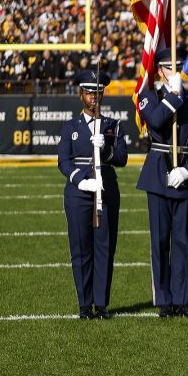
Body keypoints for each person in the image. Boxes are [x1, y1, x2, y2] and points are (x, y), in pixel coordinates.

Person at [136, 46, 188, 317]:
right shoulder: (149, 97)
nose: (174, 70)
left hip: (185, 176)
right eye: (169, 67)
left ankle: (182, 299)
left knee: (182, 242)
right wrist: (174, 97)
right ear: (159, 70)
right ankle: (164, 300)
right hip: (157, 175)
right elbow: (155, 121)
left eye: (179, 65)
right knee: (160, 241)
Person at [56, 70, 128, 319]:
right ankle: (85, 305)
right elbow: (63, 161)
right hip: (79, 194)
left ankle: (102, 304)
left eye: (98, 92)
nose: (94, 97)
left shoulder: (112, 125)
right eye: (89, 92)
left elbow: (122, 158)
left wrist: (106, 149)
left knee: (104, 249)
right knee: (81, 248)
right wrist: (81, 181)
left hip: (107, 191)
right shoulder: (70, 127)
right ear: (81, 95)